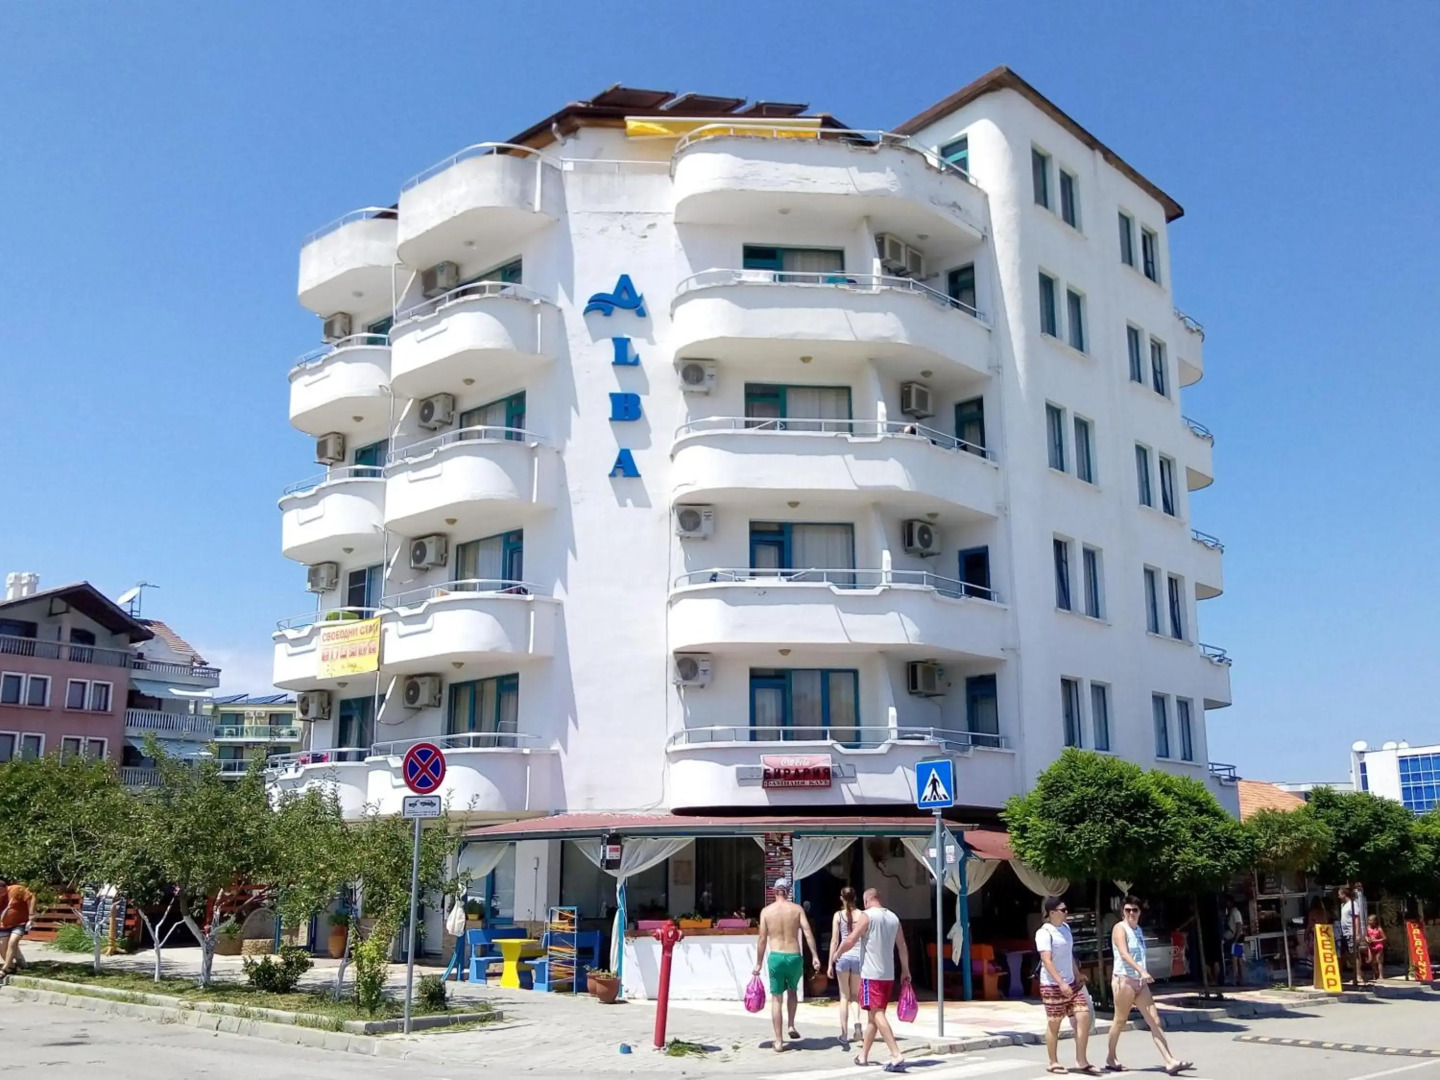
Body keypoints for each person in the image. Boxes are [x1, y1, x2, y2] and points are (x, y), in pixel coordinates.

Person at [1106, 895, 1194, 1075]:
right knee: (1120, 1020)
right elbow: (1124, 954)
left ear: (1140, 912)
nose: (1131, 913)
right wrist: (1141, 970)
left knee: (1155, 1021)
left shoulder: (1137, 929)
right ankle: (1110, 1057)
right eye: (1128, 910)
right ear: (1123, 911)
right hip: (1124, 980)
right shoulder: (1119, 928)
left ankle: (1169, 1060)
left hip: (1140, 982)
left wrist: (1143, 973)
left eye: (1135, 910)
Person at [834, 886, 911, 1072]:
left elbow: (851, 939)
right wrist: (905, 970)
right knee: (872, 1017)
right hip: (888, 975)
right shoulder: (893, 917)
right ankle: (863, 1056)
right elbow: (902, 946)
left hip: (871, 975)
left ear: (867, 900)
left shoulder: (867, 916)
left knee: (877, 1014)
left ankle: (895, 1054)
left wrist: (837, 954)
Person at [751, 878, 821, 1053]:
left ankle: (779, 1041)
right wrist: (814, 955)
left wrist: (758, 963)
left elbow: (761, 939)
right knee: (792, 991)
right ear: (788, 892)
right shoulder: (796, 910)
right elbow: (807, 932)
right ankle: (791, 1025)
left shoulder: (766, 912)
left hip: (776, 956)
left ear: (774, 892)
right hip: (794, 956)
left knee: (776, 998)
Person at [1035, 895, 1098, 1076]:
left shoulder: (1065, 928)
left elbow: (1069, 954)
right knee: (1054, 1023)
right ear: (1052, 913)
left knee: (1083, 1016)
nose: (1066, 913)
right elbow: (1046, 960)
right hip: (1053, 985)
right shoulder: (1044, 932)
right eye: (1063, 910)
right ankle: (1053, 1061)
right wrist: (1061, 982)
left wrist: (1077, 974)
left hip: (1071, 982)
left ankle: (1081, 1060)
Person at [827, 887, 863, 1049]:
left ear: (842, 898)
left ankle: (843, 1034)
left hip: (842, 957)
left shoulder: (838, 915)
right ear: (855, 898)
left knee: (844, 996)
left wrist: (830, 963)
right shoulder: (862, 915)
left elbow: (834, 940)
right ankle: (857, 1024)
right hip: (857, 957)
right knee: (855, 996)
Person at [1, 878, 34, 976]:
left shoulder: (16, 889)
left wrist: (31, 915)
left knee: (12, 942)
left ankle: (4, 969)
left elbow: (31, 897)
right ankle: (11, 967)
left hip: (19, 923)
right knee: (2, 947)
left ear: (4, 888)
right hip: (4, 925)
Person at [1222, 898, 1246, 985]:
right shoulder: (1231, 913)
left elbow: (1239, 926)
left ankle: (1236, 979)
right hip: (1236, 938)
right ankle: (1240, 978)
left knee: (1235, 958)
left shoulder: (1235, 912)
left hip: (1237, 938)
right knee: (1238, 958)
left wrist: (1235, 939)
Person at [1365, 914, 1387, 983]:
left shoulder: (1379, 929)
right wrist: (1367, 939)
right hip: (1371, 945)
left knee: (1379, 960)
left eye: (1371, 920)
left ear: (1375, 921)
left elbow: (1384, 938)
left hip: (1378, 945)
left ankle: (1381, 975)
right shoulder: (1367, 928)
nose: (1370, 922)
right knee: (1371, 960)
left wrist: (1376, 940)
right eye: (1369, 920)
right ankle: (1375, 972)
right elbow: (1366, 935)